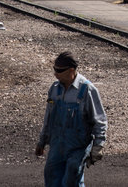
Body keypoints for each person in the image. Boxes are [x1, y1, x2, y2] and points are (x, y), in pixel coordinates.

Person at [35, 52, 108, 187]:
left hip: (78, 147)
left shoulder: (87, 90)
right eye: (54, 69)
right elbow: (48, 117)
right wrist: (42, 141)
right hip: (57, 145)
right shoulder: (54, 90)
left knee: (71, 179)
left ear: (71, 70)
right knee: (51, 177)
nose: (55, 74)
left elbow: (99, 120)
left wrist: (98, 146)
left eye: (59, 71)